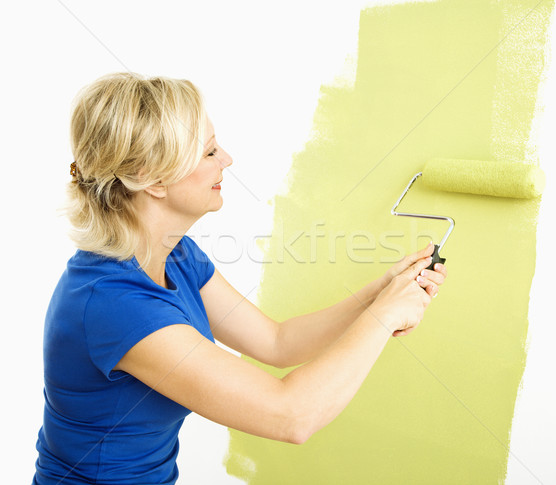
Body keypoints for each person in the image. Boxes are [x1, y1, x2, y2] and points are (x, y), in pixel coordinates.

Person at [32, 72, 447, 484]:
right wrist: (384, 318)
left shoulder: (175, 255)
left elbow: (276, 342)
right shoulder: (113, 304)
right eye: (209, 152)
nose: (227, 160)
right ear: (153, 179)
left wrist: (379, 295)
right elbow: (292, 416)